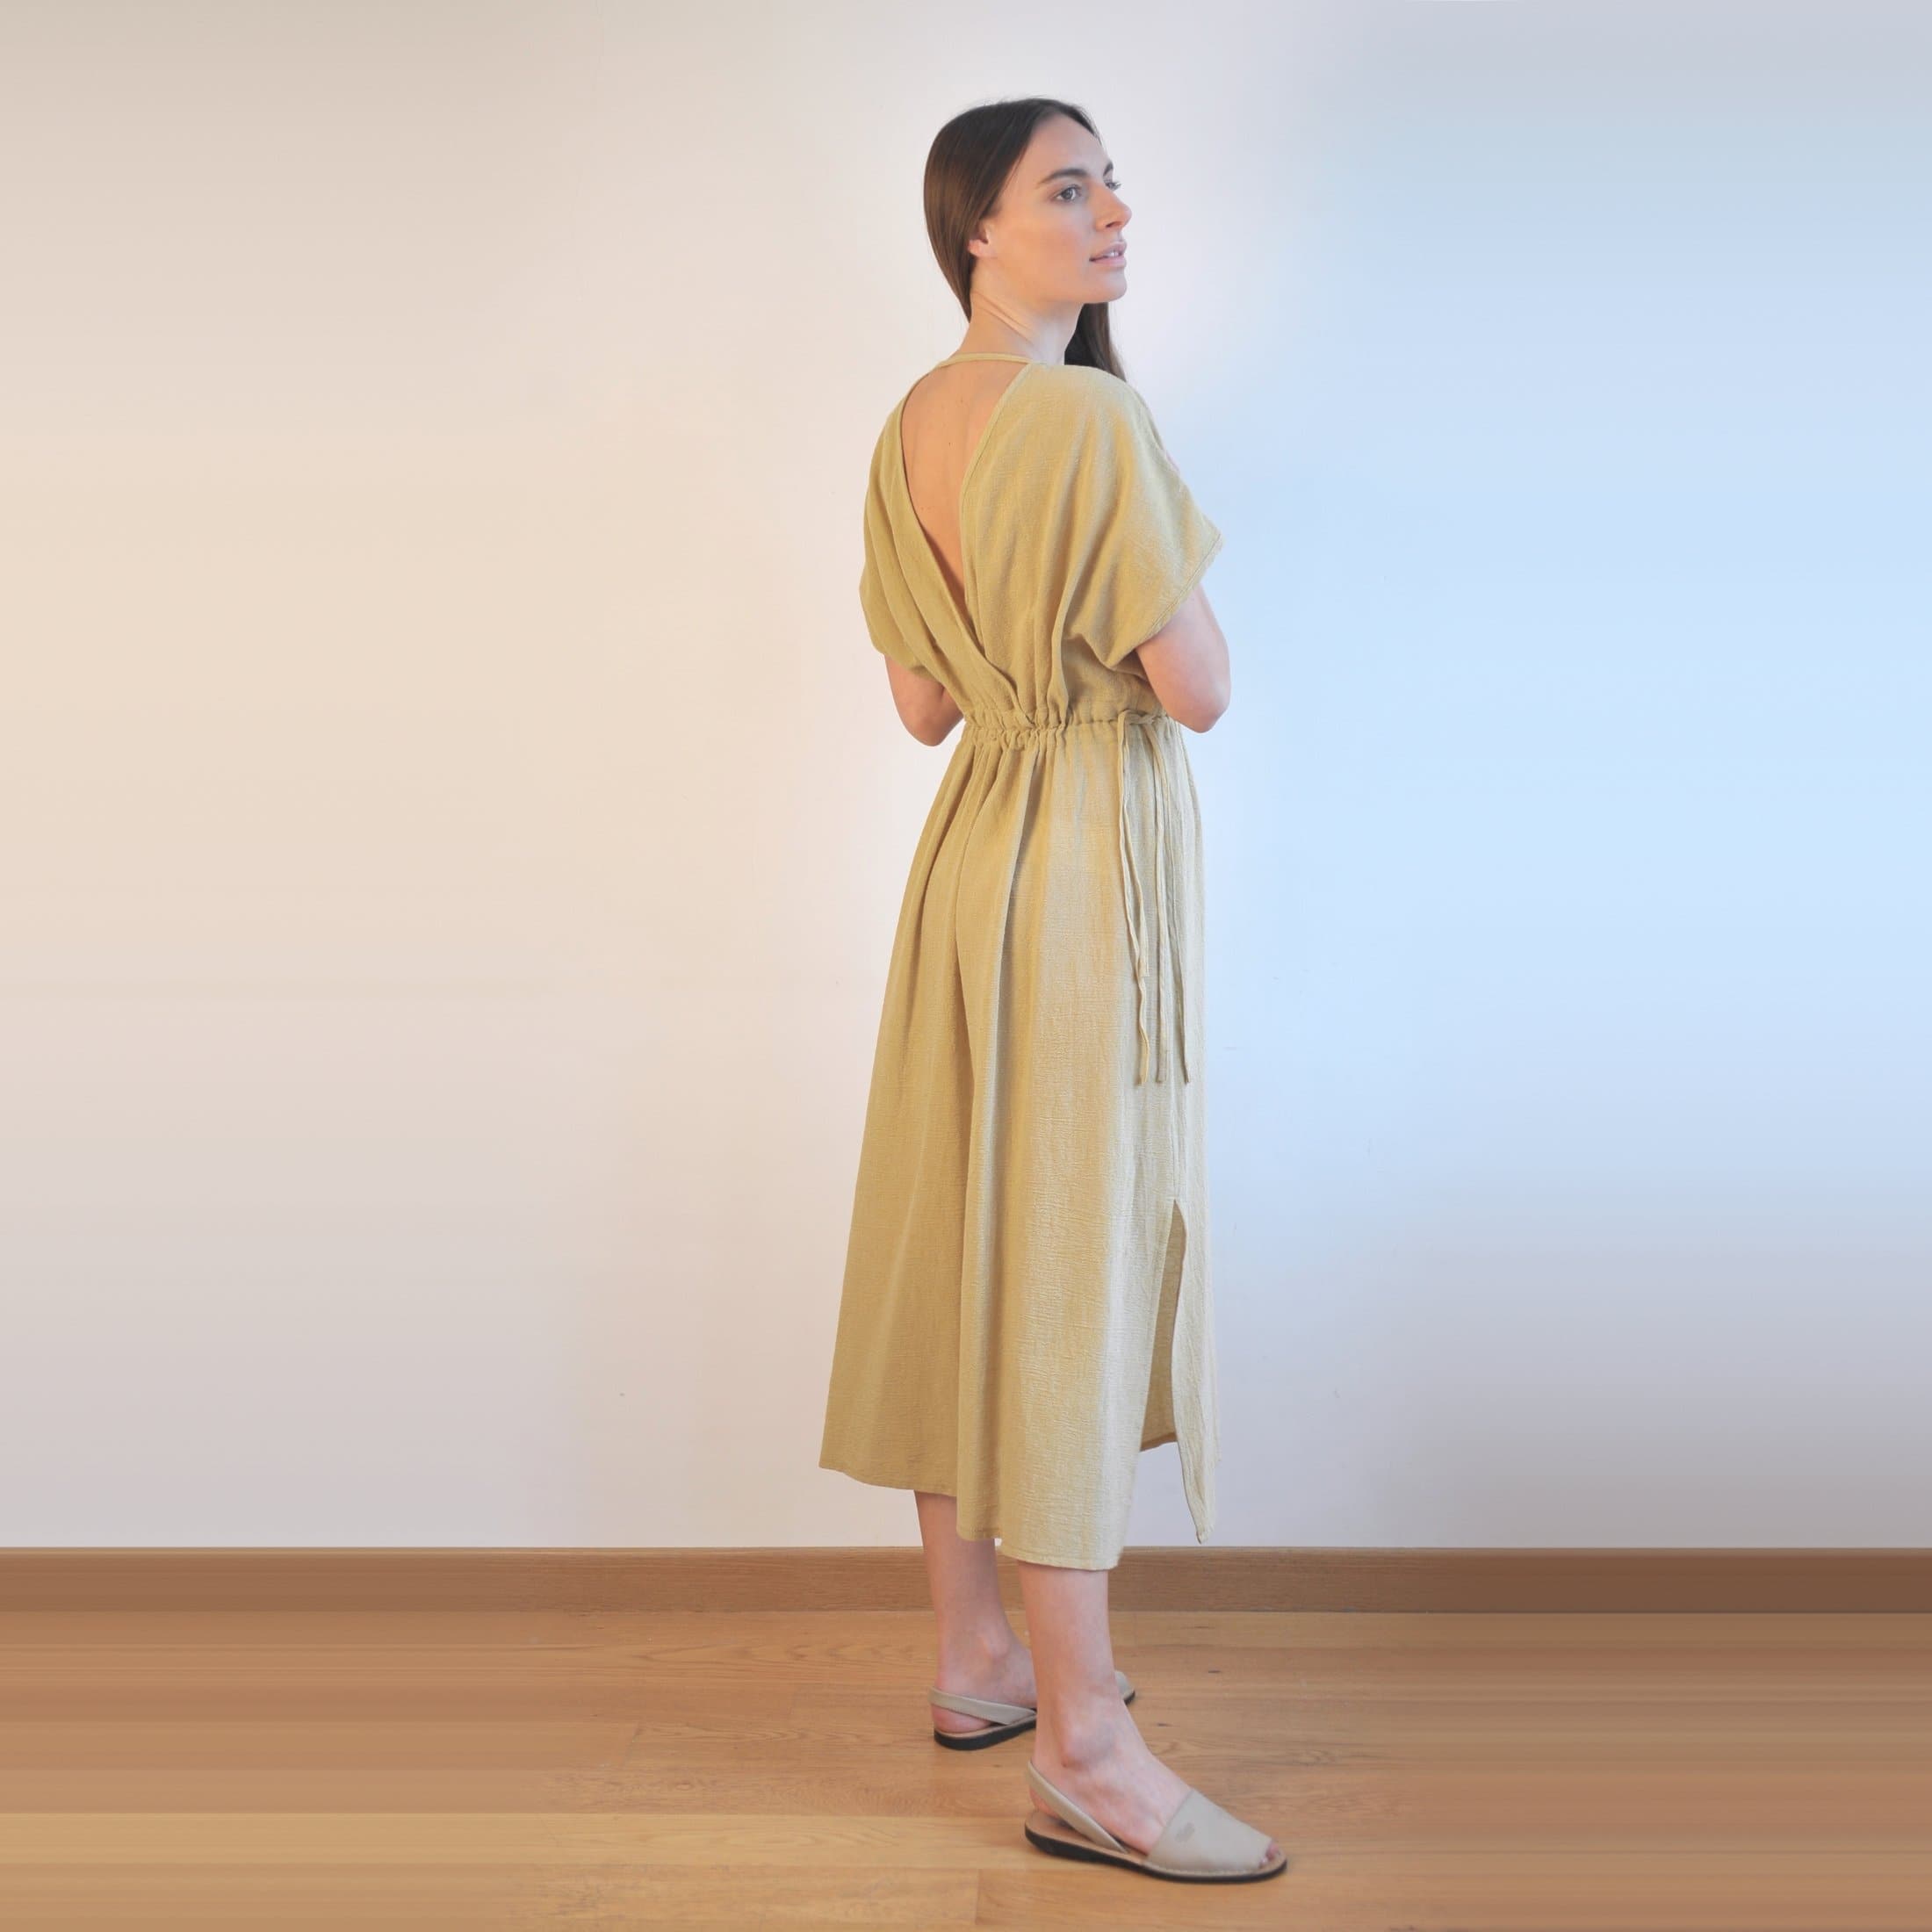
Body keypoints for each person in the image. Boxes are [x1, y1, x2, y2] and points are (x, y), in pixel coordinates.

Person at [818, 98, 1287, 1883]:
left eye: (1110, 186)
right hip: (1083, 864)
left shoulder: (905, 429)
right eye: (1067, 189)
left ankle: (977, 1657)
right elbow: (1197, 687)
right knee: (1068, 1270)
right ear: (976, 232)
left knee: (967, 1241)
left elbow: (920, 705)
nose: (1111, 215)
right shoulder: (1087, 417)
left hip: (968, 863)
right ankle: (1088, 1751)